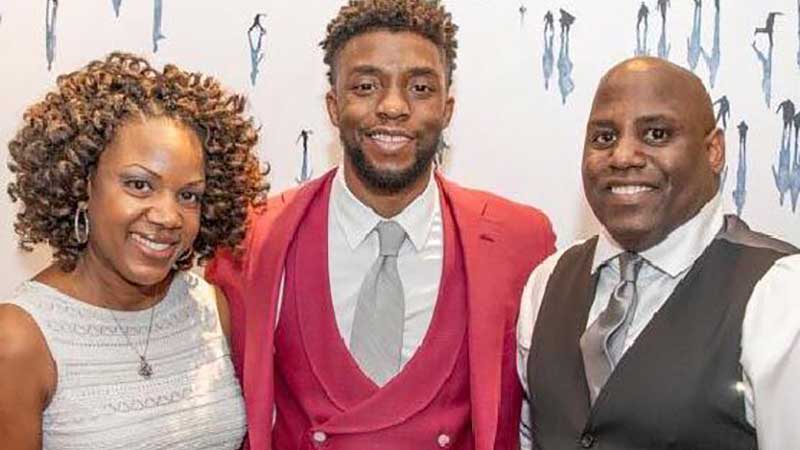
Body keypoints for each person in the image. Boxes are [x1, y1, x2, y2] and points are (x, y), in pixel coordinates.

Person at [207, 1, 556, 449]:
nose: (393, 106)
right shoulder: (251, 237)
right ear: (334, 106)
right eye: (366, 85)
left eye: (420, 87)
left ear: (447, 108)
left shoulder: (520, 243)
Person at [517, 57, 800, 449]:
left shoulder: (781, 296)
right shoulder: (546, 284)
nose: (623, 156)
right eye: (604, 138)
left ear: (714, 151)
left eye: (655, 134)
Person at [1, 52, 267, 450]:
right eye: (139, 185)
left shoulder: (211, 307)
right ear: (82, 183)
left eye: (189, 195)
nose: (167, 216)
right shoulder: (20, 340)